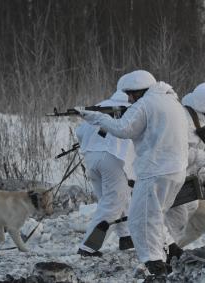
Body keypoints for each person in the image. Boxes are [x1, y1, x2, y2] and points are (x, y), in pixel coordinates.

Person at [76, 70, 189, 280]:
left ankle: (155, 265)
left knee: (139, 218)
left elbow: (125, 129)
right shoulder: (172, 102)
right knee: (150, 214)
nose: (129, 99)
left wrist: (98, 117)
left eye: (131, 94)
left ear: (140, 91)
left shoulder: (145, 104)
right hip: (175, 170)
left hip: (153, 170)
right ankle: (167, 251)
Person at [165, 82, 205, 261]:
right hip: (169, 174)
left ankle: (168, 249)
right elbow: (181, 153)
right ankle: (164, 258)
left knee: (191, 205)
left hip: (179, 173)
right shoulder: (186, 121)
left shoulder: (192, 117)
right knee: (177, 218)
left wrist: (199, 170)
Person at [75, 79, 135, 257]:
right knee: (114, 202)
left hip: (91, 158)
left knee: (114, 201)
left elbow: (79, 132)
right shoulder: (135, 109)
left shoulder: (100, 106)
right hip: (114, 158)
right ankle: (88, 246)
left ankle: (126, 237)